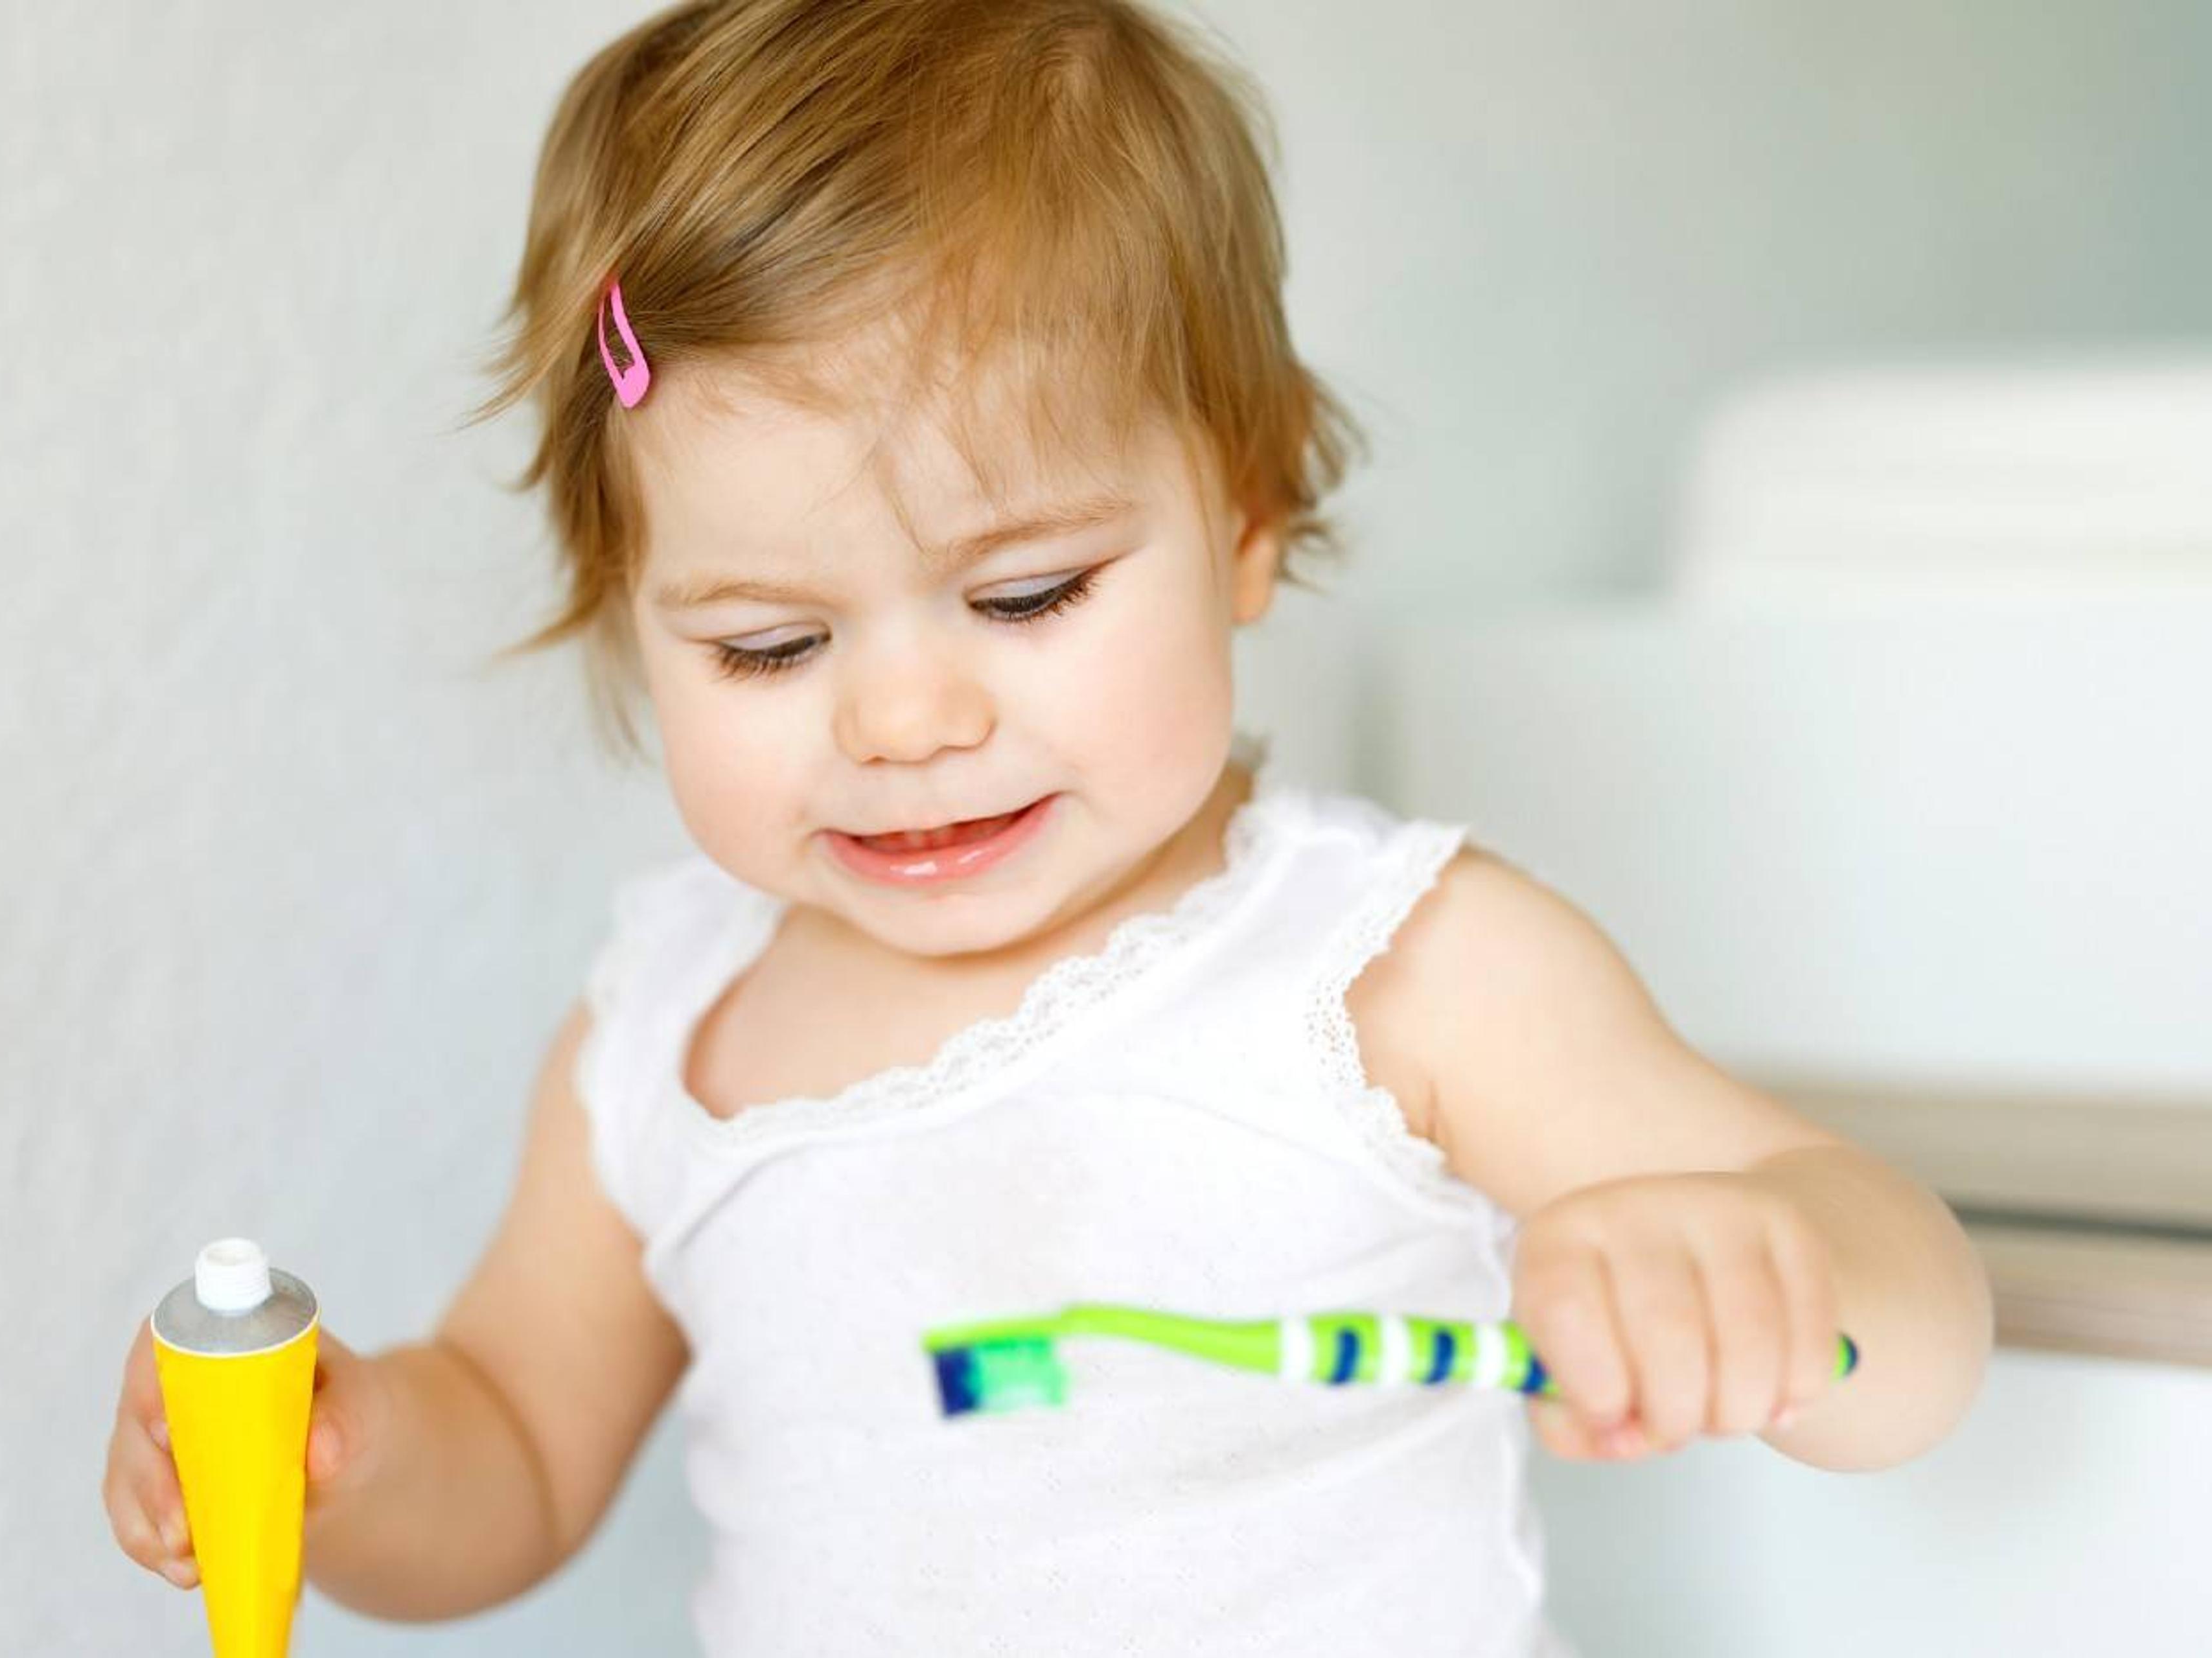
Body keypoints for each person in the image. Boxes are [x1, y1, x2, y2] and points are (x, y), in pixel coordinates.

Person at [102, 3, 1992, 1652]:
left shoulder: (1397, 972)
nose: (907, 722)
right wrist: (340, 1458)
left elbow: (1916, 1330)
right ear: (632, 616)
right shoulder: (662, 1045)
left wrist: (1767, 1268)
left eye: (1024, 598)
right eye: (768, 643)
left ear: (1245, 520)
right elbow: (509, 1455)